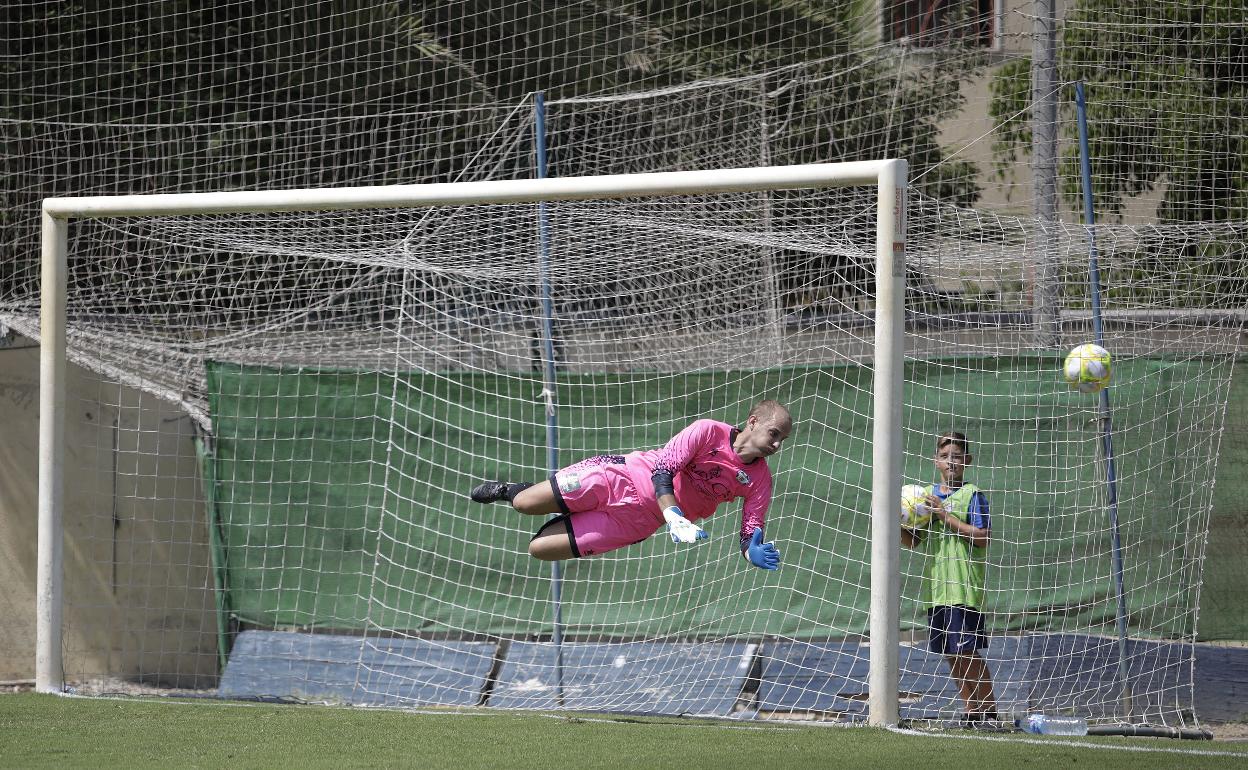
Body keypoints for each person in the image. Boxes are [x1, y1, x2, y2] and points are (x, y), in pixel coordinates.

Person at [469, 400, 792, 568]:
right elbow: (663, 471)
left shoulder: (760, 479)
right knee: (525, 504)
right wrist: (675, 517)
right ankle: (510, 490)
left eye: (782, 440)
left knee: (539, 550)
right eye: (774, 434)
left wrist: (751, 553)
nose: (776, 445)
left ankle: (572, 512)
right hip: (616, 479)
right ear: (753, 422)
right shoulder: (708, 431)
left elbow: (751, 527)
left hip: (637, 521)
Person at [900, 430, 999, 727]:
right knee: (950, 653)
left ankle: (991, 712)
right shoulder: (925, 498)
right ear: (936, 462)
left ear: (966, 460)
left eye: (956, 456)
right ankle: (971, 711)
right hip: (937, 589)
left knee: (967, 651)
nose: (950, 461)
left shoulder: (973, 495)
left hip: (964, 587)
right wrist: (898, 521)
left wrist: (946, 517)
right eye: (945, 457)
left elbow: (983, 538)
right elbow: (914, 541)